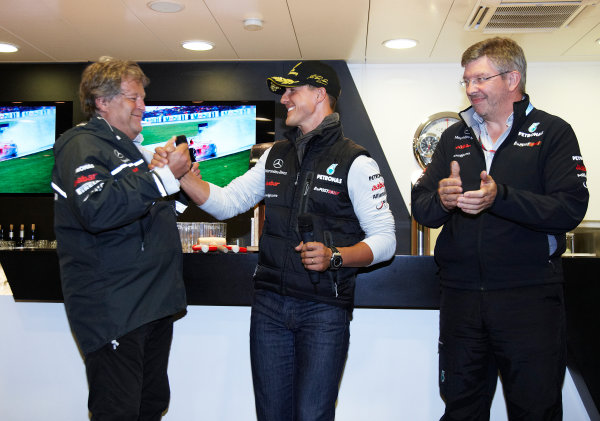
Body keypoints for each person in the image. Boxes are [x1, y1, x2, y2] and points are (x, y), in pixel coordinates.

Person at [152, 61, 396, 420]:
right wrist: (182, 174)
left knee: (313, 415)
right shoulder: (275, 155)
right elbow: (228, 202)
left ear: (319, 94)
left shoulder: (356, 162)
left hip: (324, 309)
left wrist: (336, 256)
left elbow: (385, 238)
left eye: (291, 91)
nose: (284, 100)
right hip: (269, 305)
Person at [411, 37, 589, 420]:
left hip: (528, 299)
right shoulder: (453, 137)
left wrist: (501, 197)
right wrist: (441, 199)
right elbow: (423, 208)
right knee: (461, 408)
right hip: (461, 300)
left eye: (480, 79)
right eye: (467, 81)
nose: (471, 89)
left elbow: (570, 207)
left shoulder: (553, 133)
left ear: (513, 79)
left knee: (535, 409)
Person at [52, 57, 192, 421]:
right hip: (116, 308)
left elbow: (141, 216)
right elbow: (96, 210)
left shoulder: (125, 149)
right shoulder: (81, 144)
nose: (143, 107)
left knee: (148, 405)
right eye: (134, 98)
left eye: (142, 98)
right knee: (119, 410)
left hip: (148, 303)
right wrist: (161, 178)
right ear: (102, 100)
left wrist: (176, 183)